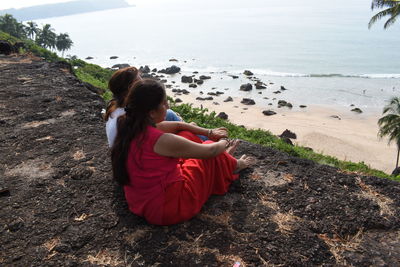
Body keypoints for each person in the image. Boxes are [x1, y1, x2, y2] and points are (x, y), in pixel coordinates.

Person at [111, 79, 254, 225]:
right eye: (164, 103)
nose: (167, 106)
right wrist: (223, 142)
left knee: (187, 134)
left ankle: (225, 160)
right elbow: (211, 151)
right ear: (152, 113)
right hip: (168, 207)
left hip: (142, 201)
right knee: (210, 147)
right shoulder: (161, 140)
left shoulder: (131, 125)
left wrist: (209, 132)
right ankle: (234, 164)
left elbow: (179, 125)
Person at [104, 66, 183, 147]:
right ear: (131, 87)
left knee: (169, 114)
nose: (143, 82)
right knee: (170, 114)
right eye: (139, 81)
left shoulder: (114, 106)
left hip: (120, 153)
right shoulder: (130, 116)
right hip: (131, 155)